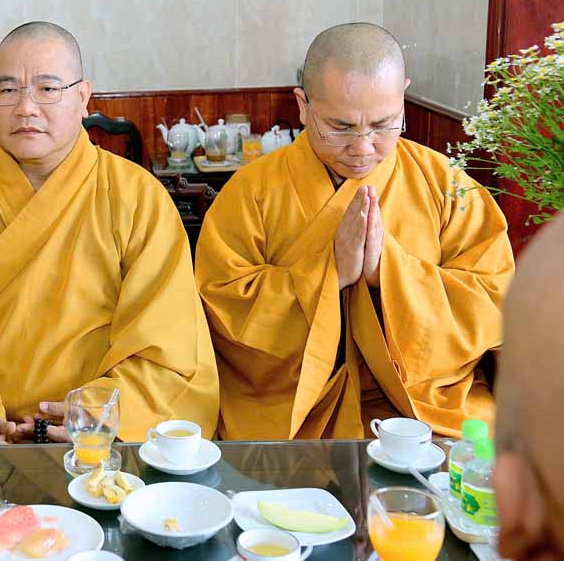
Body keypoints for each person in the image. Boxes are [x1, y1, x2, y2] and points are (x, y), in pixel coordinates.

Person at [0, 22, 219, 445]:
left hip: (100, 439)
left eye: (47, 89)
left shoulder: (138, 199)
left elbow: (168, 346)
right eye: (8, 90)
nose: (26, 108)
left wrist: (98, 415)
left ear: (83, 98)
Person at [196, 22, 514, 440]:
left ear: (403, 98)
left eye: (384, 125)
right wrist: (330, 272)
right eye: (342, 127)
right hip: (292, 410)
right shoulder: (250, 192)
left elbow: (493, 302)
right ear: (303, 105)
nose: (363, 148)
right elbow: (220, 305)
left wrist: (389, 272)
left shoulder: (447, 186)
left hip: (424, 409)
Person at [493, 215, 564, 559]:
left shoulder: (459, 198)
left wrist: (389, 271)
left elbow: (485, 305)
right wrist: (334, 274)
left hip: (438, 394)